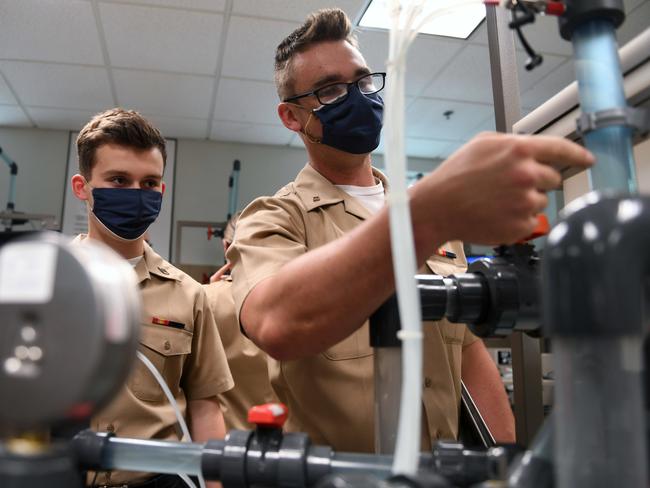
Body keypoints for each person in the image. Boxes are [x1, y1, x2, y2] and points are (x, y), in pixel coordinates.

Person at [227, 8, 594, 452]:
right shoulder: (274, 218)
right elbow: (277, 323)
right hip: (343, 478)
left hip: (445, 470)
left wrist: (503, 460)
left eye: (363, 82)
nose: (357, 97)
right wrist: (425, 212)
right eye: (330, 90)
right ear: (291, 116)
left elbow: (466, 350)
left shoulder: (433, 218)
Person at [70, 108, 233, 487]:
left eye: (149, 184)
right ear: (83, 187)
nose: (135, 194)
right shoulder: (46, 284)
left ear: (162, 190)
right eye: (118, 180)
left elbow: (206, 407)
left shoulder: (189, 295)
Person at [204, 212, 278, 430]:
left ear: (226, 246)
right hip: (281, 444)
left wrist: (209, 293)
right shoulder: (295, 304)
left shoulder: (205, 300)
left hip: (220, 444)